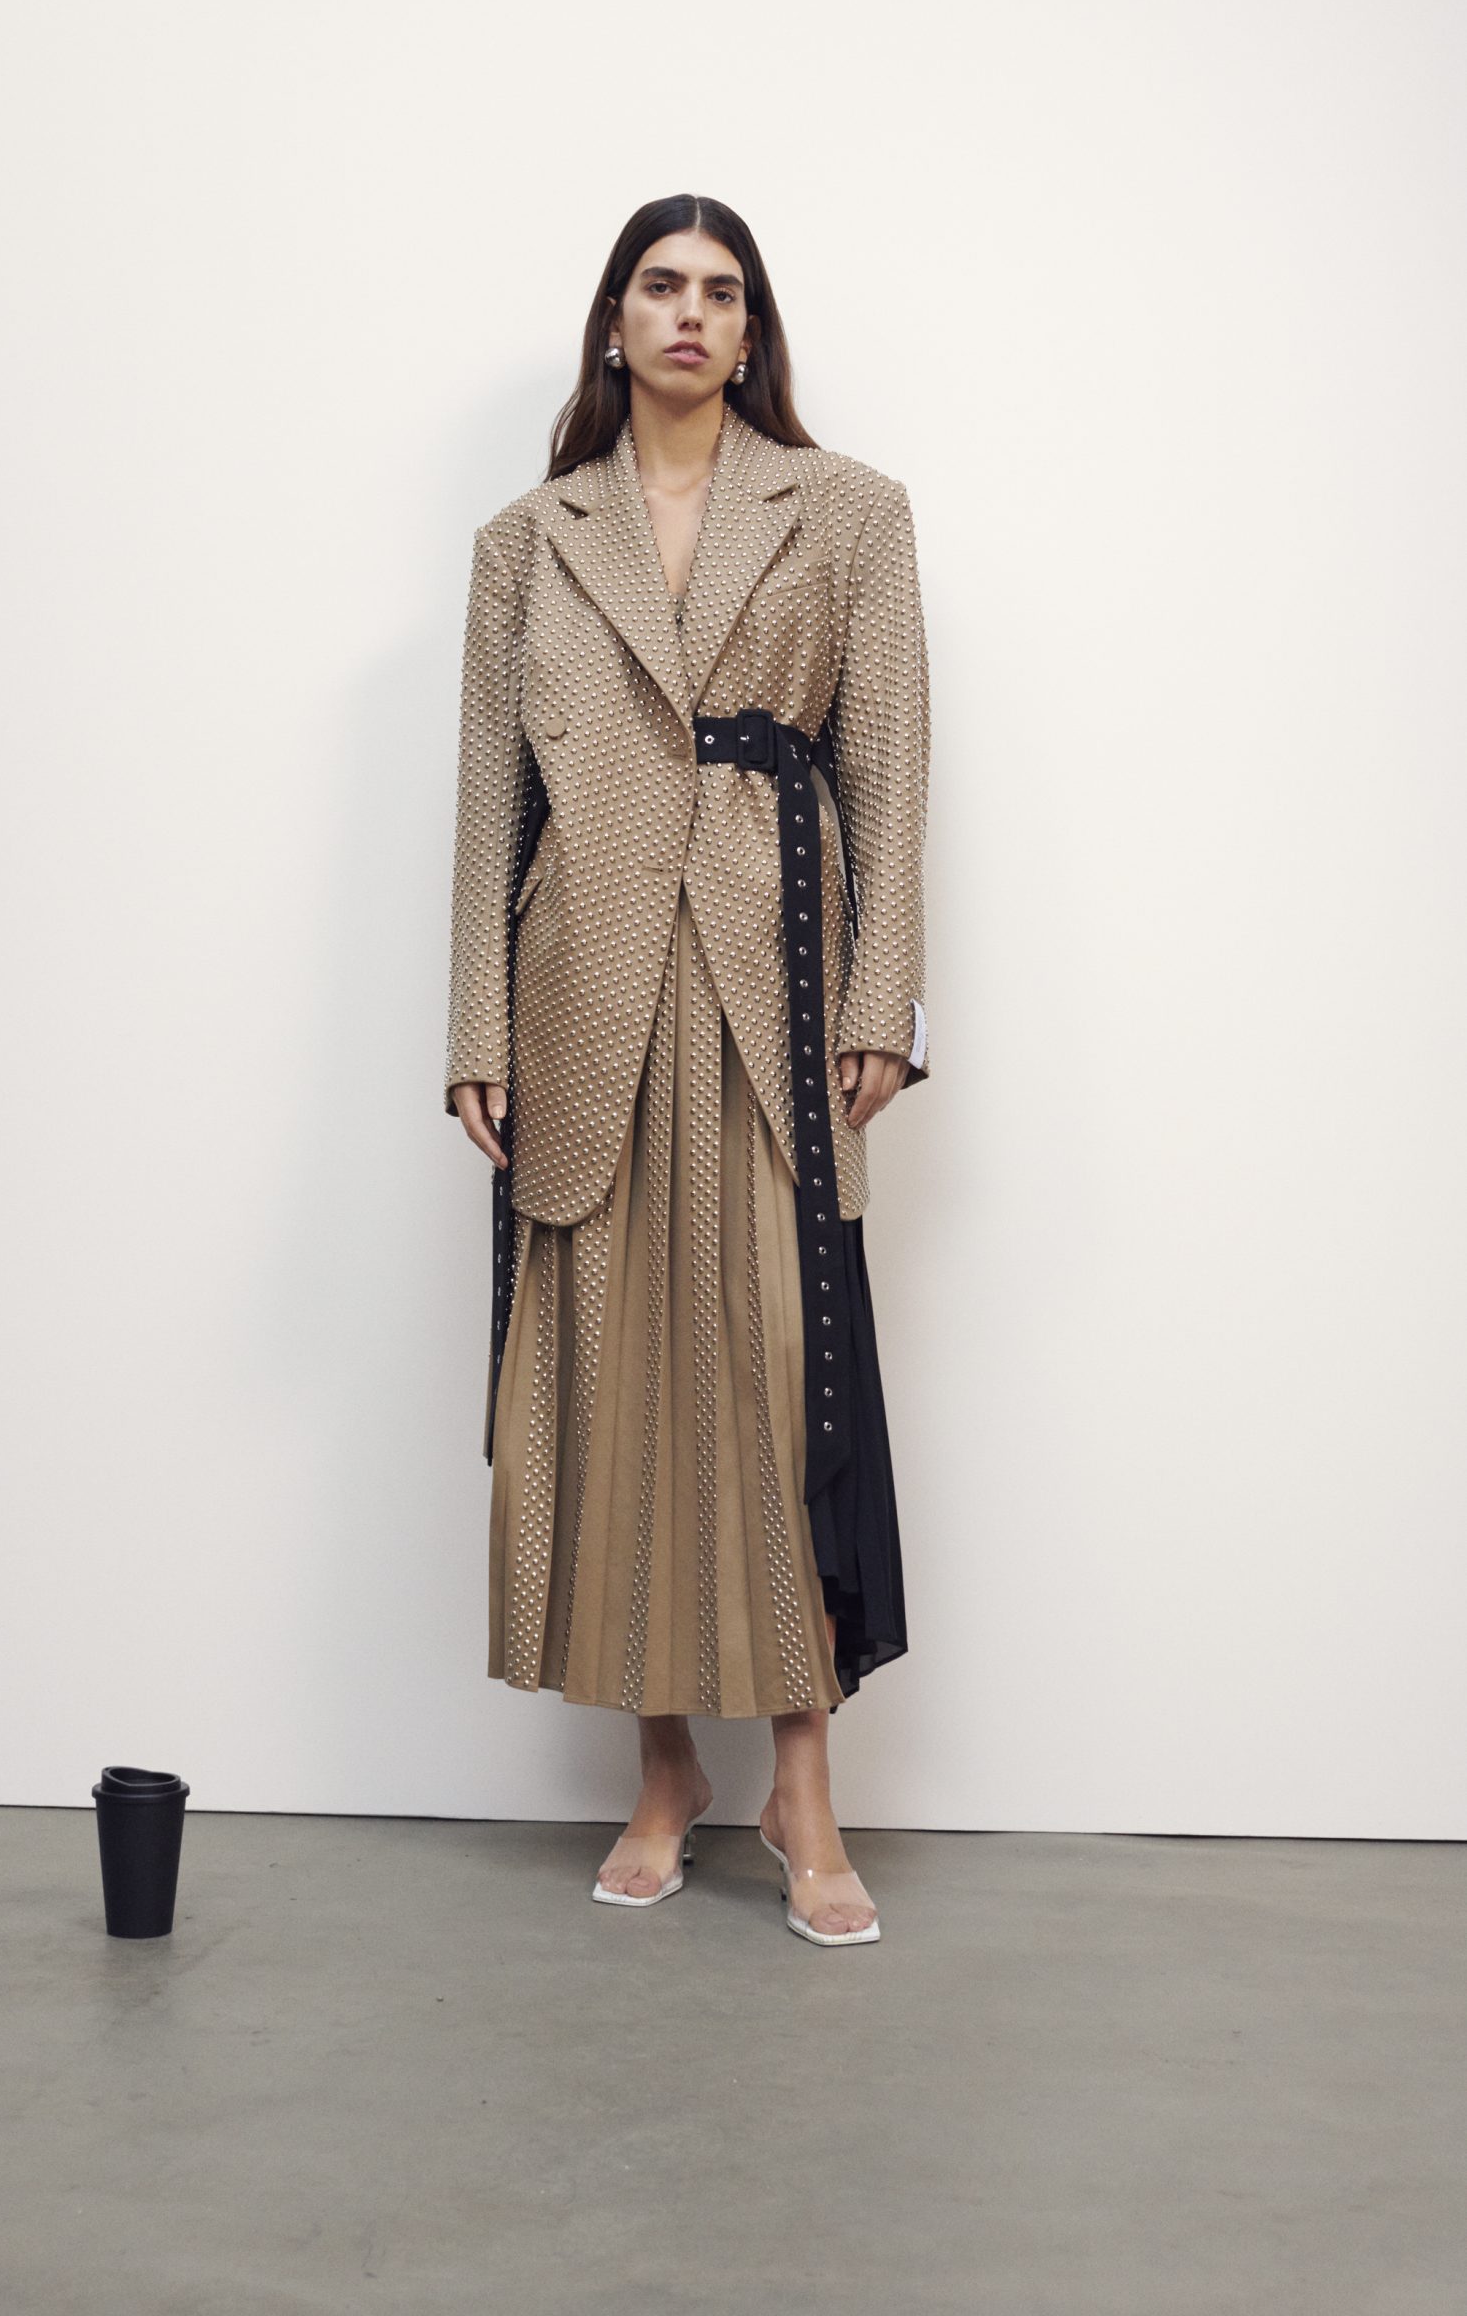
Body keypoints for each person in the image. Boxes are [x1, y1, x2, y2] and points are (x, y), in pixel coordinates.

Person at [444, 193, 930, 1948]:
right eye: (660, 286)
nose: (688, 314)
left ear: (750, 331)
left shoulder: (847, 512)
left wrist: (884, 998)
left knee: (776, 1370)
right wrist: (473, 1030)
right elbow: (487, 803)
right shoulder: (526, 540)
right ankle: (663, 1771)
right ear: (613, 319)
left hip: (771, 972)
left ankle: (802, 1779)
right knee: (611, 1373)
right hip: (580, 980)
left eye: (722, 293)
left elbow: (889, 768)